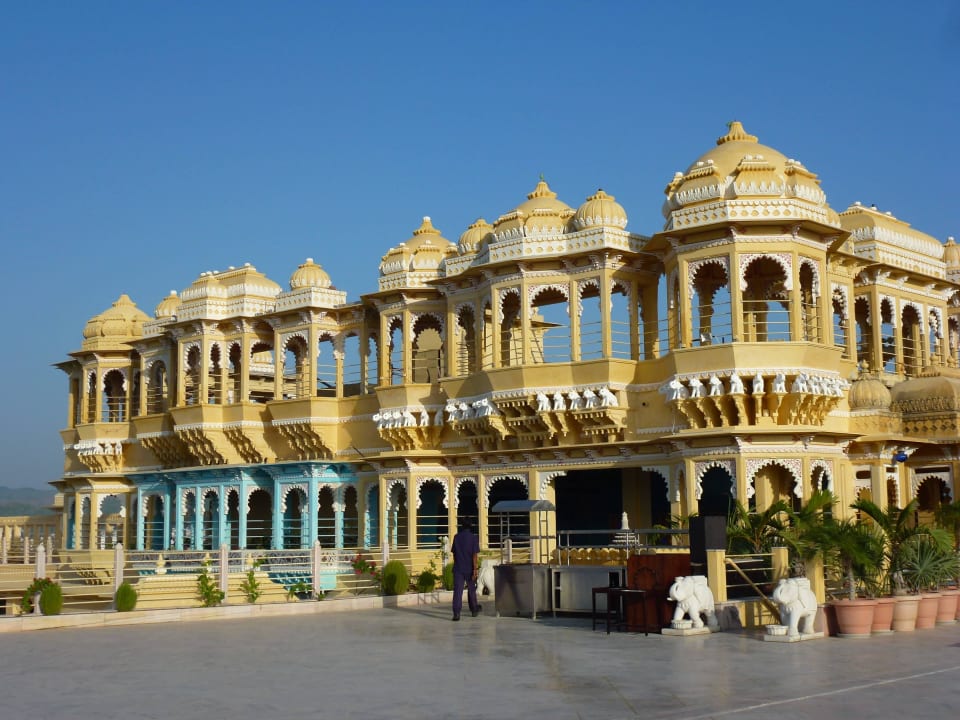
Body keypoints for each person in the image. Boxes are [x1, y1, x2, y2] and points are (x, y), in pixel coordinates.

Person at [451, 521, 481, 621]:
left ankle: (456, 613)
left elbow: (454, 553)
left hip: (458, 568)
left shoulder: (456, 537)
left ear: (462, 526)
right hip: (469, 568)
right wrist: (475, 569)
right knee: (471, 589)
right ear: (470, 526)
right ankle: (474, 609)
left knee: (458, 591)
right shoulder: (473, 538)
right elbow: (474, 555)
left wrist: (457, 563)